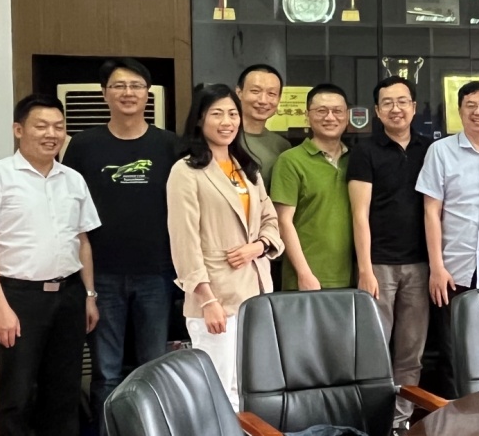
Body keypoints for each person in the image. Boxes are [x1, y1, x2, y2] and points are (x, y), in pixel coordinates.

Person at [0, 94, 101, 435]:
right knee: (18, 394)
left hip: (69, 295)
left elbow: (83, 241)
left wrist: (89, 295)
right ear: (18, 130)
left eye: (58, 126)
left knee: (65, 391)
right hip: (18, 298)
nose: (51, 134)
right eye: (41, 126)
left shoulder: (73, 179)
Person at [61, 58, 181, 428]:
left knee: (153, 369)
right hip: (102, 275)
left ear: (147, 94)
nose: (128, 93)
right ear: (104, 94)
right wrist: (85, 287)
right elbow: (70, 212)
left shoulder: (170, 145)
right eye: (118, 85)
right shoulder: (83, 145)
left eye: (136, 85)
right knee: (105, 372)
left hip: (157, 274)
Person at [167, 83, 283, 412]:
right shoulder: (186, 171)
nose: (227, 121)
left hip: (256, 293)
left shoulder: (246, 168)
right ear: (199, 119)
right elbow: (184, 242)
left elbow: (271, 221)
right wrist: (207, 300)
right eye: (217, 114)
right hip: (216, 296)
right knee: (218, 391)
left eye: (232, 114)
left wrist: (258, 246)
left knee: (248, 387)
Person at [416, 80, 479, 397]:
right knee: (454, 354)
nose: (478, 112)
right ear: (459, 111)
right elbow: (431, 211)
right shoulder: (441, 152)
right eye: (471, 105)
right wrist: (436, 267)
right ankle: (455, 417)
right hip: (453, 272)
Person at [349, 76, 431, 430]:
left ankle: (401, 421)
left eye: (402, 101)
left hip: (420, 265)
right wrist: (365, 269)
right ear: (377, 111)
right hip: (379, 266)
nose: (396, 109)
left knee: (411, 351)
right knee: (375, 350)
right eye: (387, 103)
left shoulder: (430, 150)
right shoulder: (364, 151)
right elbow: (359, 214)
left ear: (414, 107)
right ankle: (374, 422)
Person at [271, 84, 355, 290]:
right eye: (321, 111)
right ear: (307, 116)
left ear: (347, 116)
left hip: (351, 278)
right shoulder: (290, 160)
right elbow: (283, 221)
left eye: (337, 111)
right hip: (306, 280)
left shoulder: (357, 159)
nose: (330, 117)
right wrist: (304, 273)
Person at [235, 64, 291, 188]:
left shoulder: (282, 146)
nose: (263, 100)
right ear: (239, 93)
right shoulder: (224, 138)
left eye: (271, 94)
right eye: (255, 91)